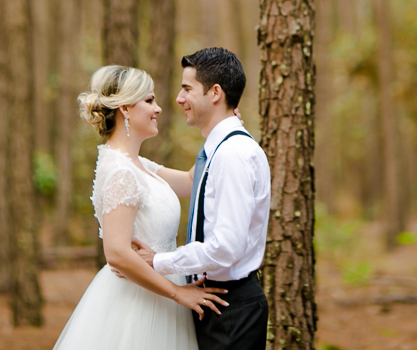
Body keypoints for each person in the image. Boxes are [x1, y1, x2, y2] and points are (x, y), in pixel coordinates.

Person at [50, 65, 228, 350]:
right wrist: (178, 293)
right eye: (149, 100)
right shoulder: (120, 171)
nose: (158, 109)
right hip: (139, 303)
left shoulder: (138, 165)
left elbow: (190, 181)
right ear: (125, 109)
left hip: (162, 297)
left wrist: (221, 128)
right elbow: (117, 253)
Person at [135, 48, 271, 350]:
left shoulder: (232, 155)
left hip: (231, 307)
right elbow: (189, 182)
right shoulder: (220, 150)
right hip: (218, 302)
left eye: (187, 89)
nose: (178, 98)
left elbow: (226, 248)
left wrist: (158, 261)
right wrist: (125, 158)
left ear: (215, 93)